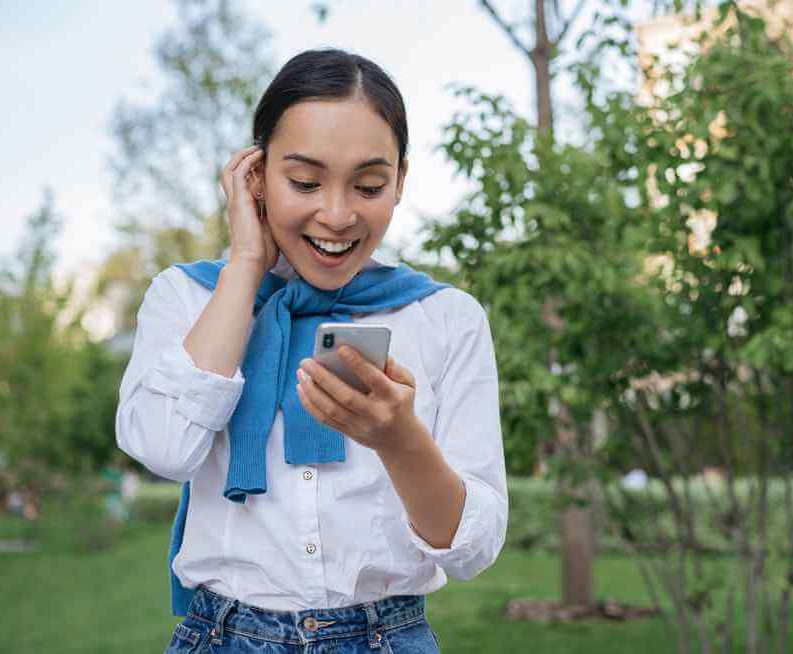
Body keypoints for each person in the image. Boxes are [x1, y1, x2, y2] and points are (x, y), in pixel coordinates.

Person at [116, 48, 508, 653]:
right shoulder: (189, 298)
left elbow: (473, 551)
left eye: (369, 184)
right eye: (303, 181)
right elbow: (163, 450)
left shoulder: (444, 319)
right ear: (257, 176)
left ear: (401, 181)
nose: (337, 213)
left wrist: (398, 439)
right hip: (224, 637)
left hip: (387, 637)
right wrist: (246, 264)